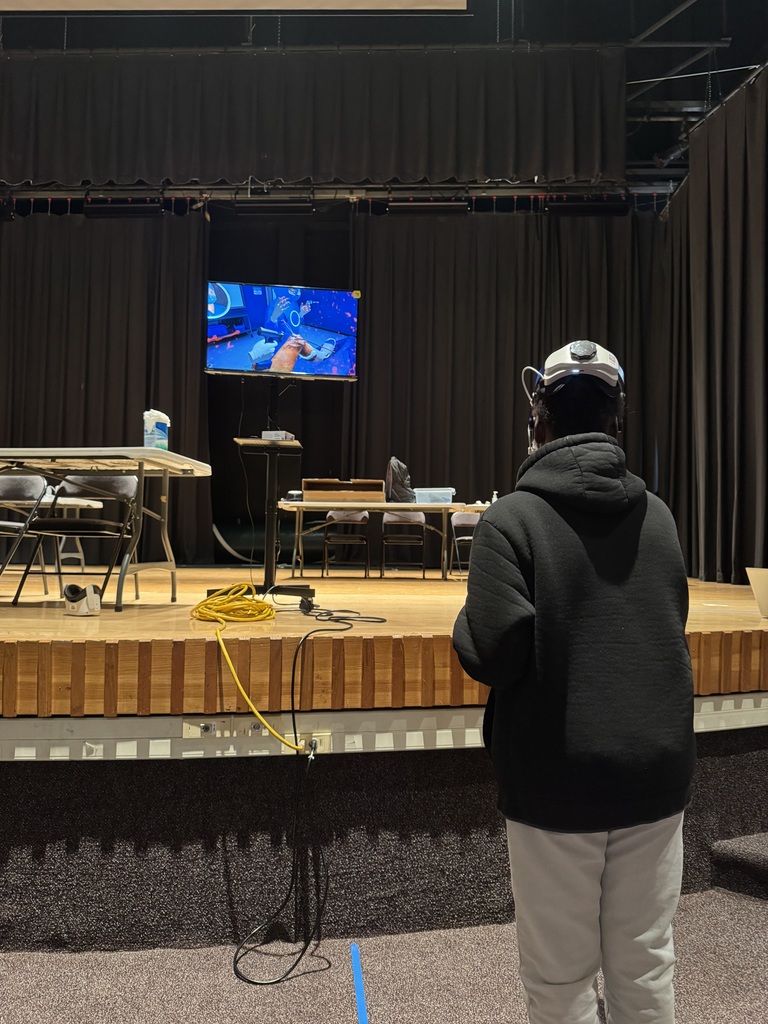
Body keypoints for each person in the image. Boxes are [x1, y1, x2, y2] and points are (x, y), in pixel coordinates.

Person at [452, 340, 696, 1024]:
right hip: (657, 772)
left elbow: (493, 653)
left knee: (560, 983)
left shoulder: (510, 520)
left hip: (557, 778)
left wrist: (462, 624)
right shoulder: (660, 515)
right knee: (645, 964)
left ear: (538, 422)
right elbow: (667, 621)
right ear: (616, 422)